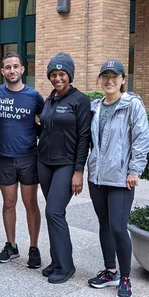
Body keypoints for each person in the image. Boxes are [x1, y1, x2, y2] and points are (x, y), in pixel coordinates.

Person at [86, 60, 149, 297]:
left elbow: (141, 139)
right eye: (105, 76)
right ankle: (110, 271)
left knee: (117, 227)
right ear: (100, 80)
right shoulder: (96, 107)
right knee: (104, 225)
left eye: (115, 76)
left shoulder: (132, 105)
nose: (109, 81)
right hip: (98, 177)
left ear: (124, 79)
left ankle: (125, 277)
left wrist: (135, 170)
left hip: (122, 178)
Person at [38, 53, 92, 284]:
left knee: (54, 212)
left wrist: (78, 171)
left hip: (66, 164)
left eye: (62, 74)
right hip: (44, 163)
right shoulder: (49, 99)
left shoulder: (80, 101)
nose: (57, 78)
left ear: (70, 75)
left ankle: (66, 266)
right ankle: (57, 260)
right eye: (53, 74)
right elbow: (47, 131)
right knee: (53, 214)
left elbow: (84, 138)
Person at [0, 51, 44, 268]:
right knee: (9, 203)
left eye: (15, 66)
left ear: (22, 69)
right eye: (7, 67)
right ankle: (11, 245)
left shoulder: (33, 97)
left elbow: (48, 121)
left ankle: (34, 247)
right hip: (5, 157)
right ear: (3, 71)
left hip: (29, 157)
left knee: (30, 203)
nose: (12, 70)